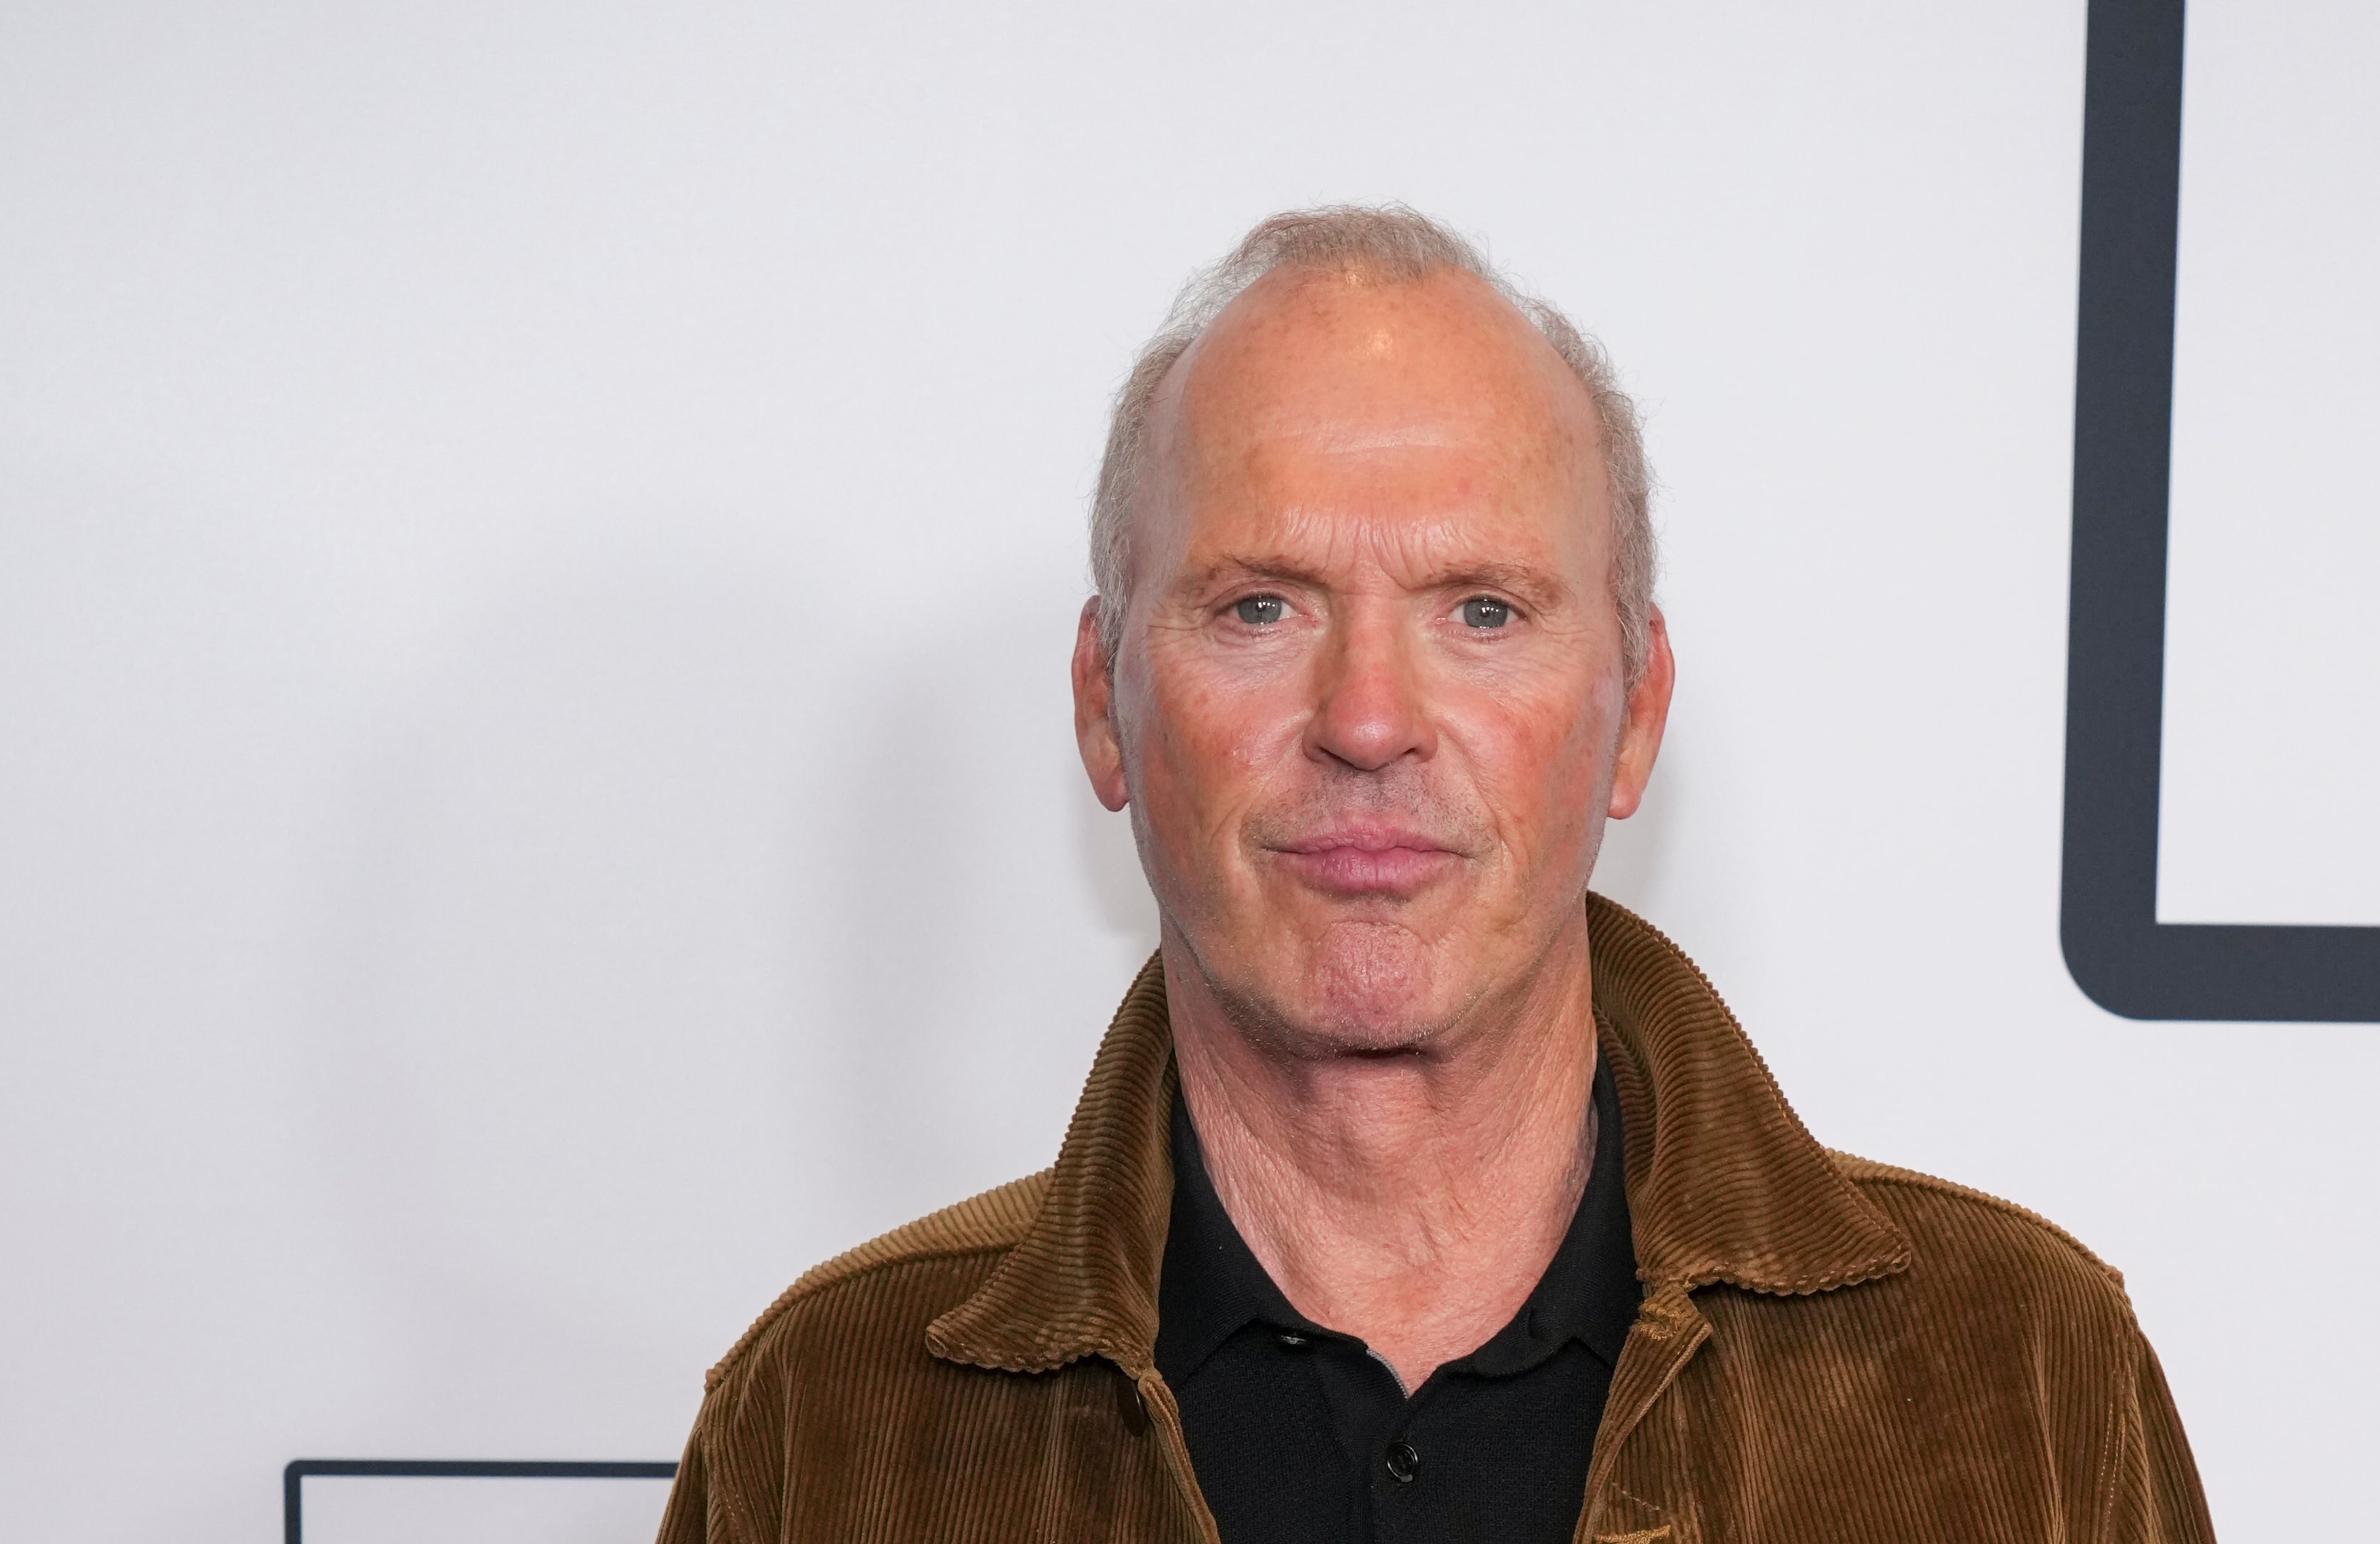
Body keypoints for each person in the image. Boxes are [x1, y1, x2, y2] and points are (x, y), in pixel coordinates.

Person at [654, 205, 2212, 1544]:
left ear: (1634, 715)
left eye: (1481, 611)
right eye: (1260, 606)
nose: (1367, 721)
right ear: (1102, 706)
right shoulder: (829, 1420)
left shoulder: (2020, 1376)